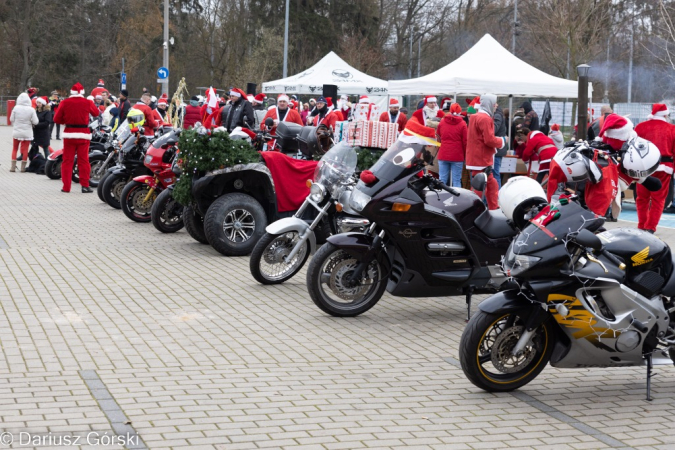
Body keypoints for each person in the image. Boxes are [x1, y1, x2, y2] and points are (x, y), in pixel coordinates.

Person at [53, 82, 100, 193]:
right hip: (83, 134)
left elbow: (56, 119)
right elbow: (96, 113)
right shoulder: (87, 102)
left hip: (69, 134)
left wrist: (66, 121)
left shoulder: (65, 102)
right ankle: (84, 185)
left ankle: (66, 187)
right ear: (82, 92)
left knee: (67, 161)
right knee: (83, 161)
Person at [635, 104, 675, 233]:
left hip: (643, 168)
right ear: (665, 115)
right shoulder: (672, 129)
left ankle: (641, 225)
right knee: (658, 199)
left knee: (642, 198)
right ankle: (650, 227)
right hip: (664, 168)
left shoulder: (640, 127)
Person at [465, 94, 506, 210]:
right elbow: (489, 140)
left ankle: (493, 207)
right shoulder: (485, 118)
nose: (495, 107)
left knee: (490, 184)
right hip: (481, 157)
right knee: (480, 186)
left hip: (477, 156)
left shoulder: (474, 117)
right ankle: (473, 209)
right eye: (494, 104)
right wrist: (502, 140)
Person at [436, 103, 467, 188]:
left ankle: (440, 199)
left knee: (442, 179)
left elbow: (438, 137)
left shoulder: (442, 122)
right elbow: (465, 141)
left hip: (443, 153)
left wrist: (438, 149)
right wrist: (465, 155)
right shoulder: (463, 124)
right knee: (456, 180)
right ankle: (457, 200)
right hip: (457, 155)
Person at [9, 92, 38, 173]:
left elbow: (11, 119)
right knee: (25, 150)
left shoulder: (15, 108)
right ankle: (22, 168)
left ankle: (12, 167)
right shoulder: (31, 109)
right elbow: (35, 122)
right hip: (27, 132)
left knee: (15, 149)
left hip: (17, 131)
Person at [493, 100, 507, 188]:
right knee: (495, 174)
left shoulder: (497, 115)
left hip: (497, 150)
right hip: (498, 149)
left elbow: (493, 130)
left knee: (495, 174)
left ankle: (497, 195)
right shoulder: (499, 114)